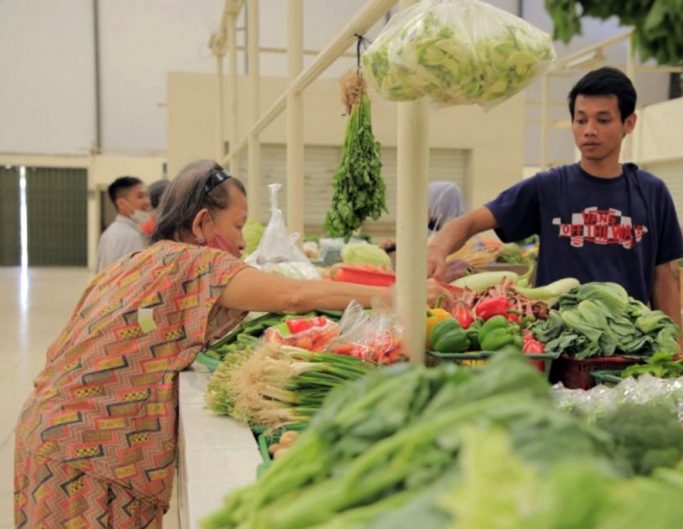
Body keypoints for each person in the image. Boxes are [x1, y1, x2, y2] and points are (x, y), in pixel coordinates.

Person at [14, 160, 441, 529]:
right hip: (89, 456)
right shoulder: (193, 261)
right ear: (201, 224)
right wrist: (403, 295)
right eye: (237, 226)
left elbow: (63, 350)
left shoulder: (133, 263)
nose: (242, 242)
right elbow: (293, 296)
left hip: (47, 437)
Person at [427, 67, 683, 332]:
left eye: (603, 120)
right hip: (558, 343)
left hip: (630, 343)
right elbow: (469, 222)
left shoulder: (653, 192)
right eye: (581, 119)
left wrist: (677, 350)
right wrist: (437, 250)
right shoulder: (548, 187)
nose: (589, 130)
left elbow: (664, 278)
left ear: (628, 124)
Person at [380, 181, 467, 251]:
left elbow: (432, 245)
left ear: (445, 205)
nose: (426, 213)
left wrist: (402, 244)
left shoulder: (464, 237)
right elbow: (422, 240)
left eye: (430, 206)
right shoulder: (434, 228)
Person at [96, 176, 151, 271]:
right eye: (140, 196)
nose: (147, 201)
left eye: (147, 196)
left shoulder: (112, 232)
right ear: (121, 203)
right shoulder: (129, 236)